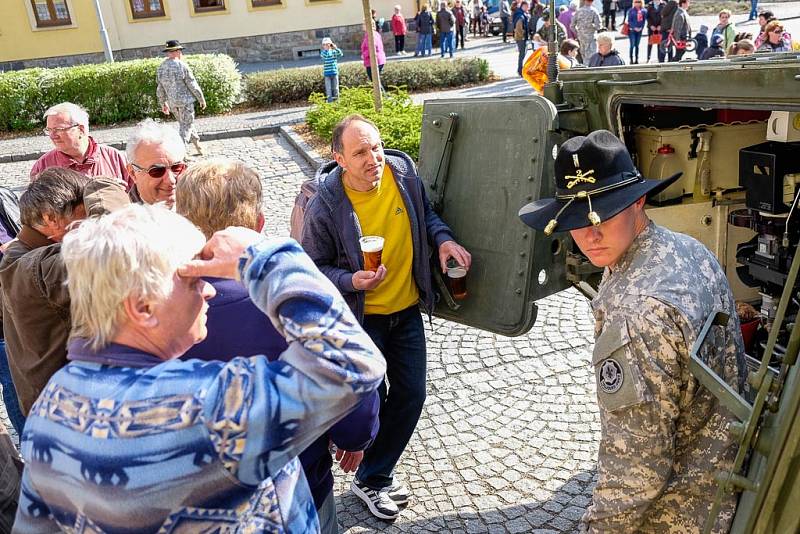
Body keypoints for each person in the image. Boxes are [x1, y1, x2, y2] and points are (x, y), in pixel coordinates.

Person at [13, 204, 386, 533]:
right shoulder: (205, 407)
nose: (209, 290)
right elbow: (351, 363)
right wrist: (265, 259)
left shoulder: (51, 405)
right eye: (192, 279)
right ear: (143, 307)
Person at [518, 129, 744, 533]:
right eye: (576, 220)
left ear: (637, 200)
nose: (590, 234)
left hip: (682, 514)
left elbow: (637, 472)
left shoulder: (635, 310)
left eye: (604, 213)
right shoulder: (685, 248)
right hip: (724, 474)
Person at [176, 159, 380, 534]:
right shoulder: (292, 300)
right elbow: (357, 396)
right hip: (295, 496)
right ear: (258, 224)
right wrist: (353, 436)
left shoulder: (151, 305)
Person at [301, 115, 471, 521]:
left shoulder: (403, 173)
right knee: (372, 403)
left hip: (406, 309)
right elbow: (311, 266)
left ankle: (373, 476)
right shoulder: (325, 204)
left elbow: (425, 215)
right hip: (363, 320)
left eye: (375, 147)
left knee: (412, 395)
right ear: (338, 157)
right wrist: (350, 279)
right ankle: (370, 471)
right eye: (360, 152)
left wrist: (443, 239)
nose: (372, 158)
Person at [0, 170, 128, 417]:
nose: (90, 229)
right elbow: (111, 247)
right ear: (51, 218)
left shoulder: (21, 252)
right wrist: (103, 187)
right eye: (84, 220)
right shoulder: (33, 264)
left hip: (55, 405)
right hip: (69, 413)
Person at [30, 102, 131, 189]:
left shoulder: (114, 157)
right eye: (49, 130)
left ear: (81, 129)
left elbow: (137, 197)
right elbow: (36, 209)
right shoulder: (43, 166)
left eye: (58, 129)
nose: (52, 136)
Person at [156, 40, 207, 156]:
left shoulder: (161, 67)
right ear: (177, 51)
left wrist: (163, 103)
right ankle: (181, 153)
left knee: (186, 125)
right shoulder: (182, 65)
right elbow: (192, 84)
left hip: (173, 103)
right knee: (186, 126)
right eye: (180, 51)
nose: (181, 53)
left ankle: (198, 146)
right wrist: (201, 99)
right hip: (185, 103)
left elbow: (160, 88)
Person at [126, 119, 187, 208]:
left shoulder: (203, 208)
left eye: (176, 167)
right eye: (157, 171)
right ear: (133, 173)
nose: (171, 180)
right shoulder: (122, 219)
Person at [320, 37, 343, 103]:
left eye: (327, 44)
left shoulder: (334, 52)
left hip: (334, 72)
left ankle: (337, 101)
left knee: (336, 88)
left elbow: (340, 54)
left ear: (330, 44)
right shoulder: (323, 53)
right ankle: (330, 102)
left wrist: (335, 48)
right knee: (328, 89)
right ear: (323, 46)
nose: (326, 46)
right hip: (327, 74)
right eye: (324, 45)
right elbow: (325, 56)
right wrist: (328, 50)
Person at [513, 0, 532, 76]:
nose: (529, 8)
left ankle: (521, 69)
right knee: (522, 54)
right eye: (528, 6)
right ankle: (520, 71)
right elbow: (519, 28)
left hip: (521, 38)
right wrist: (523, 37)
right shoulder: (520, 16)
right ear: (523, 6)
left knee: (522, 54)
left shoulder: (521, 14)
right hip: (521, 38)